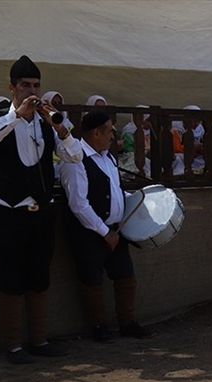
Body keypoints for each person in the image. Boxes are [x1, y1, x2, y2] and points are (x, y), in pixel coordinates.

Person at [0, 55, 83, 364]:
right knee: (11, 277)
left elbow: (75, 157)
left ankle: (38, 340)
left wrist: (60, 128)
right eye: (25, 85)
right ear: (12, 88)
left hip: (42, 211)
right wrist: (17, 117)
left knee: (39, 275)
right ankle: (13, 346)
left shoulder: (47, 122)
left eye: (36, 85)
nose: (31, 91)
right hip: (8, 211)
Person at [59, 111, 154, 342]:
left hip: (115, 229)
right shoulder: (76, 158)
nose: (113, 135)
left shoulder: (108, 157)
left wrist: (139, 200)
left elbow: (114, 190)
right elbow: (79, 204)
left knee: (125, 278)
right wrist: (104, 232)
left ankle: (127, 323)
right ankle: (99, 326)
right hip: (90, 233)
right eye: (110, 130)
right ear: (96, 132)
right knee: (91, 281)